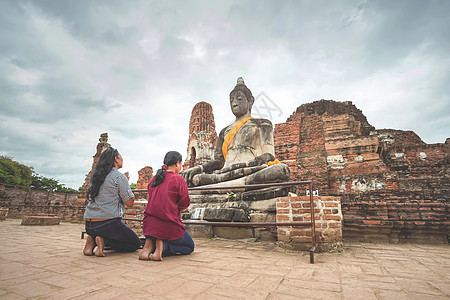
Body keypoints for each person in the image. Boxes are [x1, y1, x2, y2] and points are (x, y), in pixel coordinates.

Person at [181, 77, 290, 187]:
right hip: (226, 174)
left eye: (239, 99)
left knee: (279, 170)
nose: (234, 103)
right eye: (231, 100)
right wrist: (199, 168)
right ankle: (234, 184)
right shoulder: (225, 131)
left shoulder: (262, 124)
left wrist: (245, 166)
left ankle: (229, 185)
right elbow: (219, 162)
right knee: (191, 178)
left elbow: (269, 156)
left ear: (250, 101)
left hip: (251, 170)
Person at [83, 147, 141, 257]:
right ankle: (102, 241)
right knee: (134, 243)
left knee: (108, 232)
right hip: (107, 223)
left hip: (89, 224)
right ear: (116, 159)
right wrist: (125, 185)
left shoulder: (96, 177)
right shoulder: (119, 177)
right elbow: (129, 203)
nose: (122, 159)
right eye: (121, 156)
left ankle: (91, 241)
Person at [139, 151, 194, 261]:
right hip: (168, 225)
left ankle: (150, 244)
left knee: (156, 230)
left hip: (149, 225)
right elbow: (183, 207)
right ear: (177, 163)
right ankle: (163, 247)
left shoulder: (154, 179)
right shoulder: (179, 180)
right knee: (189, 247)